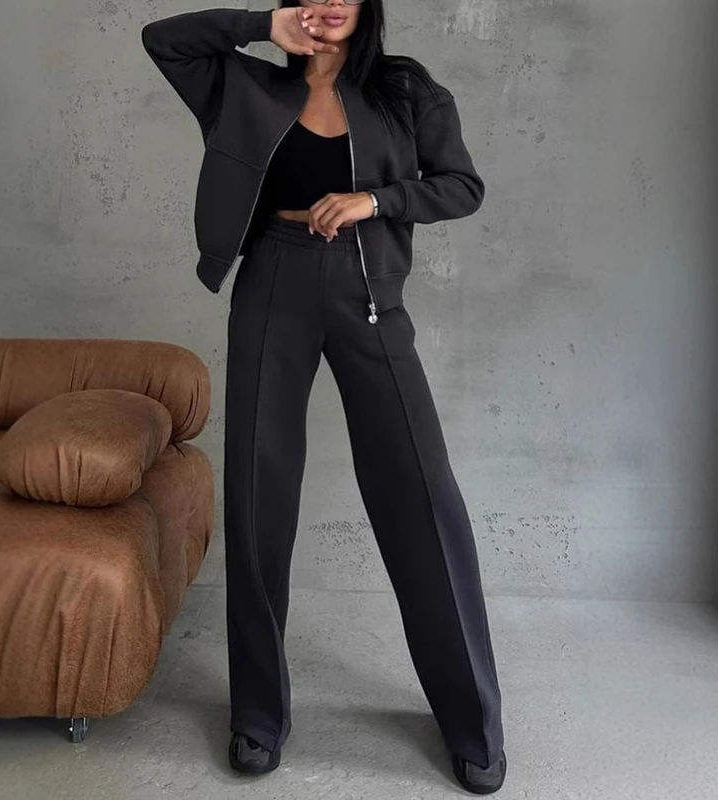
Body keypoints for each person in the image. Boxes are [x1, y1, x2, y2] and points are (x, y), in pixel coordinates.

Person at [141, 1, 507, 793]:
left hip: (370, 290)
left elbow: (462, 185)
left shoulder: (404, 89)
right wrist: (258, 25)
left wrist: (377, 199)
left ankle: (473, 724)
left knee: (421, 493)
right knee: (258, 493)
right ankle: (258, 716)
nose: (331, 2)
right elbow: (162, 40)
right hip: (274, 277)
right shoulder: (246, 87)